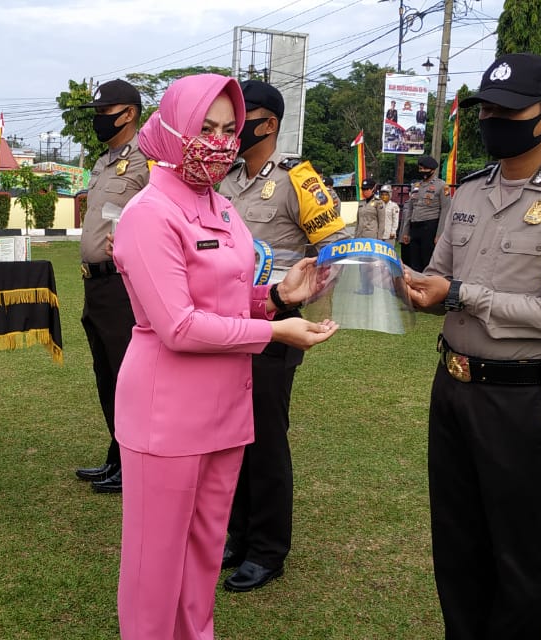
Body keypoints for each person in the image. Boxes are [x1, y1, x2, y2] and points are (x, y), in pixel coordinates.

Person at [112, 73, 337, 640]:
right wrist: (274, 333)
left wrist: (281, 296)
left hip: (224, 412)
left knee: (205, 554)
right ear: (170, 128)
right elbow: (179, 325)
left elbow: (231, 295)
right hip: (167, 413)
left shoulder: (221, 204)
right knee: (154, 566)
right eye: (203, 128)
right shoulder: (149, 212)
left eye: (229, 129)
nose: (218, 141)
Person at [404, 53, 541, 640]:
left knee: (516, 552)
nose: (492, 118)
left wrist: (462, 293)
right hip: (452, 387)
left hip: (521, 398)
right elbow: (436, 275)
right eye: (486, 108)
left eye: (507, 109)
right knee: (456, 539)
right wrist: (396, 283)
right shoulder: (469, 191)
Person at [217, 79, 350, 593]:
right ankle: (238, 532)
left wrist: (298, 292)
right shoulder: (225, 179)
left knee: (265, 438)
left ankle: (268, 548)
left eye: (239, 118)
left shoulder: (299, 178)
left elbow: (335, 245)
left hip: (275, 327)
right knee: (229, 435)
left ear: (267, 123)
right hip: (227, 324)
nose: (230, 129)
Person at [73, 79, 151, 494]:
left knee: (127, 376)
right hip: (95, 286)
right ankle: (117, 453)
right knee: (106, 374)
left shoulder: (148, 160)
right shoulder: (104, 162)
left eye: (106, 112)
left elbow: (160, 216)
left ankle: (132, 461)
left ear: (130, 113)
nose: (99, 120)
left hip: (124, 284)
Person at [399, 154, 450, 272]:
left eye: (424, 169)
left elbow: (446, 210)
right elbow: (410, 209)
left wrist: (440, 234)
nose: (422, 171)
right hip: (415, 227)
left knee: (427, 260)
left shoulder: (441, 186)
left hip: (430, 227)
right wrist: (406, 231)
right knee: (414, 262)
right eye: (420, 169)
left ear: (433, 169)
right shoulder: (416, 186)